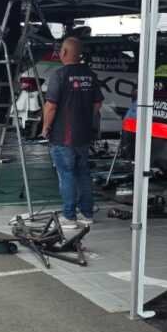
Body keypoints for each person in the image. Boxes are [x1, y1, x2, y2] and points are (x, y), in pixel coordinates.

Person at [40, 36, 103, 229]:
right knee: (83, 173)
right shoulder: (90, 75)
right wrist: (85, 119)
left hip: (63, 135)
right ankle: (87, 214)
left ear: (65, 52)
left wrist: (45, 127)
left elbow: (51, 106)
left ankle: (69, 216)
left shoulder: (59, 75)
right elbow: (97, 103)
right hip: (83, 134)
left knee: (66, 174)